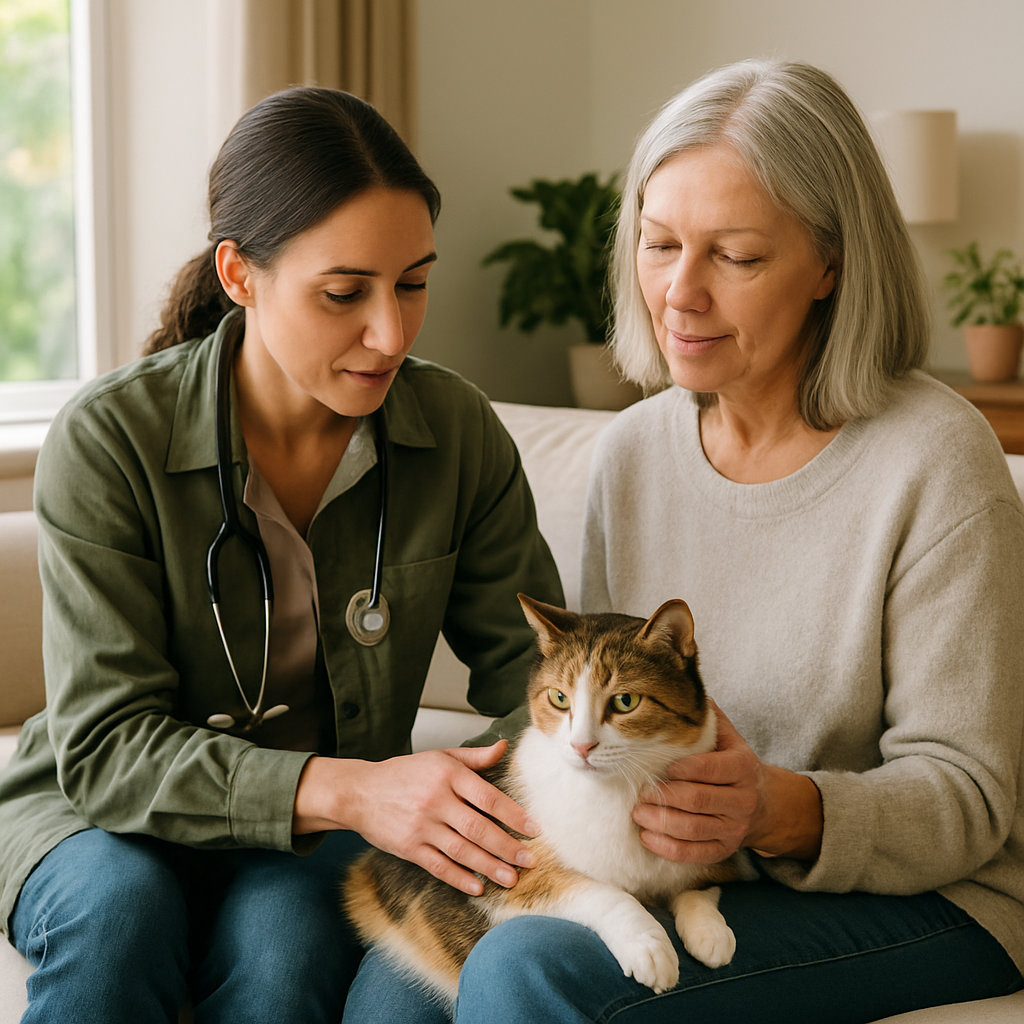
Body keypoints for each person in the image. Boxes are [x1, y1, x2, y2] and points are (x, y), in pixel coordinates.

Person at [349, 59, 1024, 1023]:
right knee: (392, 988)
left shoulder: (935, 458)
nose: (681, 294)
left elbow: (969, 798)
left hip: (932, 901)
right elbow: (599, 698)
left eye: (737, 257)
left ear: (832, 263)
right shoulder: (636, 450)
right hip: (690, 870)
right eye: (659, 245)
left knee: (524, 972)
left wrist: (779, 809)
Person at [0, 86, 562, 1023]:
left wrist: (479, 793)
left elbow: (533, 676)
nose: (391, 332)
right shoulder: (110, 439)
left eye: (414, 282)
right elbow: (105, 750)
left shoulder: (456, 431)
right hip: (97, 814)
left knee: (287, 953)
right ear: (239, 274)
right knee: (118, 915)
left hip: (310, 836)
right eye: (345, 293)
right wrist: (359, 790)